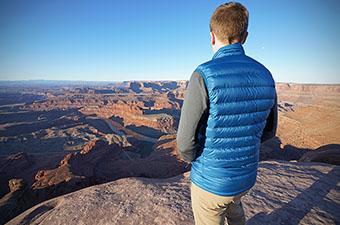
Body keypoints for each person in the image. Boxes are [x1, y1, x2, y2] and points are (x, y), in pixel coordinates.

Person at [176, 2, 278, 225]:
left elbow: (184, 142)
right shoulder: (266, 75)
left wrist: (197, 160)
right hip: (246, 177)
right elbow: (269, 131)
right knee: (234, 206)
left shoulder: (204, 74)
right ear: (245, 36)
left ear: (212, 36)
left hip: (211, 182)